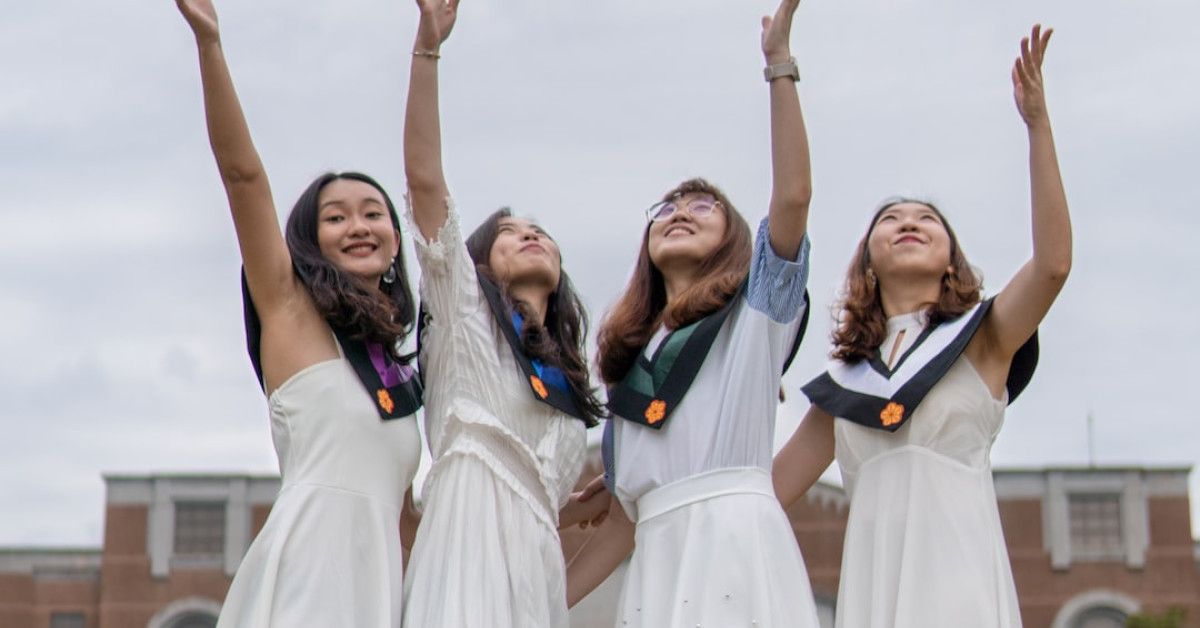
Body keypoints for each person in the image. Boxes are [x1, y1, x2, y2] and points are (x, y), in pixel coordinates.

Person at [773, 25, 1070, 628]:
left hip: (960, 574)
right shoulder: (846, 384)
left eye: (927, 219)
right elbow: (766, 494)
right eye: (891, 219)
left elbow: (1053, 265)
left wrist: (1038, 126)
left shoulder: (984, 340)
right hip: (877, 584)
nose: (908, 222)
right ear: (867, 261)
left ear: (951, 261)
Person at [564, 1, 821, 625]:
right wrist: (530, 606)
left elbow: (793, 198)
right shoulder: (628, 371)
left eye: (703, 206)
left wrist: (779, 67)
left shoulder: (755, 318)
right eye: (667, 208)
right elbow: (622, 524)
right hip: (658, 565)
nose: (680, 211)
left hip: (738, 545)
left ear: (736, 240)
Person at [175, 1, 423, 626]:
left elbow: (408, 526)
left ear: (395, 239)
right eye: (336, 217)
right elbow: (243, 177)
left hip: (376, 591)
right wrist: (210, 44)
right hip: (309, 571)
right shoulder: (288, 309)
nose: (358, 225)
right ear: (312, 240)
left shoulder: (401, 374)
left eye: (373, 213)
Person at [401, 1, 604, 626]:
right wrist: (428, 53)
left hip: (535, 573)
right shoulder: (463, 311)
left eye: (539, 230)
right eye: (509, 233)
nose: (530, 235)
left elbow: (530, 490)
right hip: (465, 547)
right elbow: (425, 182)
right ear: (478, 260)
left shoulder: (570, 381)